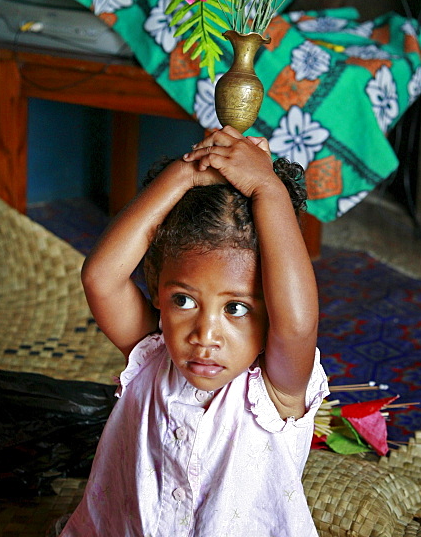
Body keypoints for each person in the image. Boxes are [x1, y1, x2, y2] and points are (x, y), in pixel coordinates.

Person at [59, 125, 328, 536]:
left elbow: (297, 324)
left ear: (270, 311)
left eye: (236, 308)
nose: (205, 334)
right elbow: (101, 277)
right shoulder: (150, 355)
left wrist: (267, 188)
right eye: (183, 300)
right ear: (158, 292)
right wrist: (185, 173)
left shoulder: (276, 393)